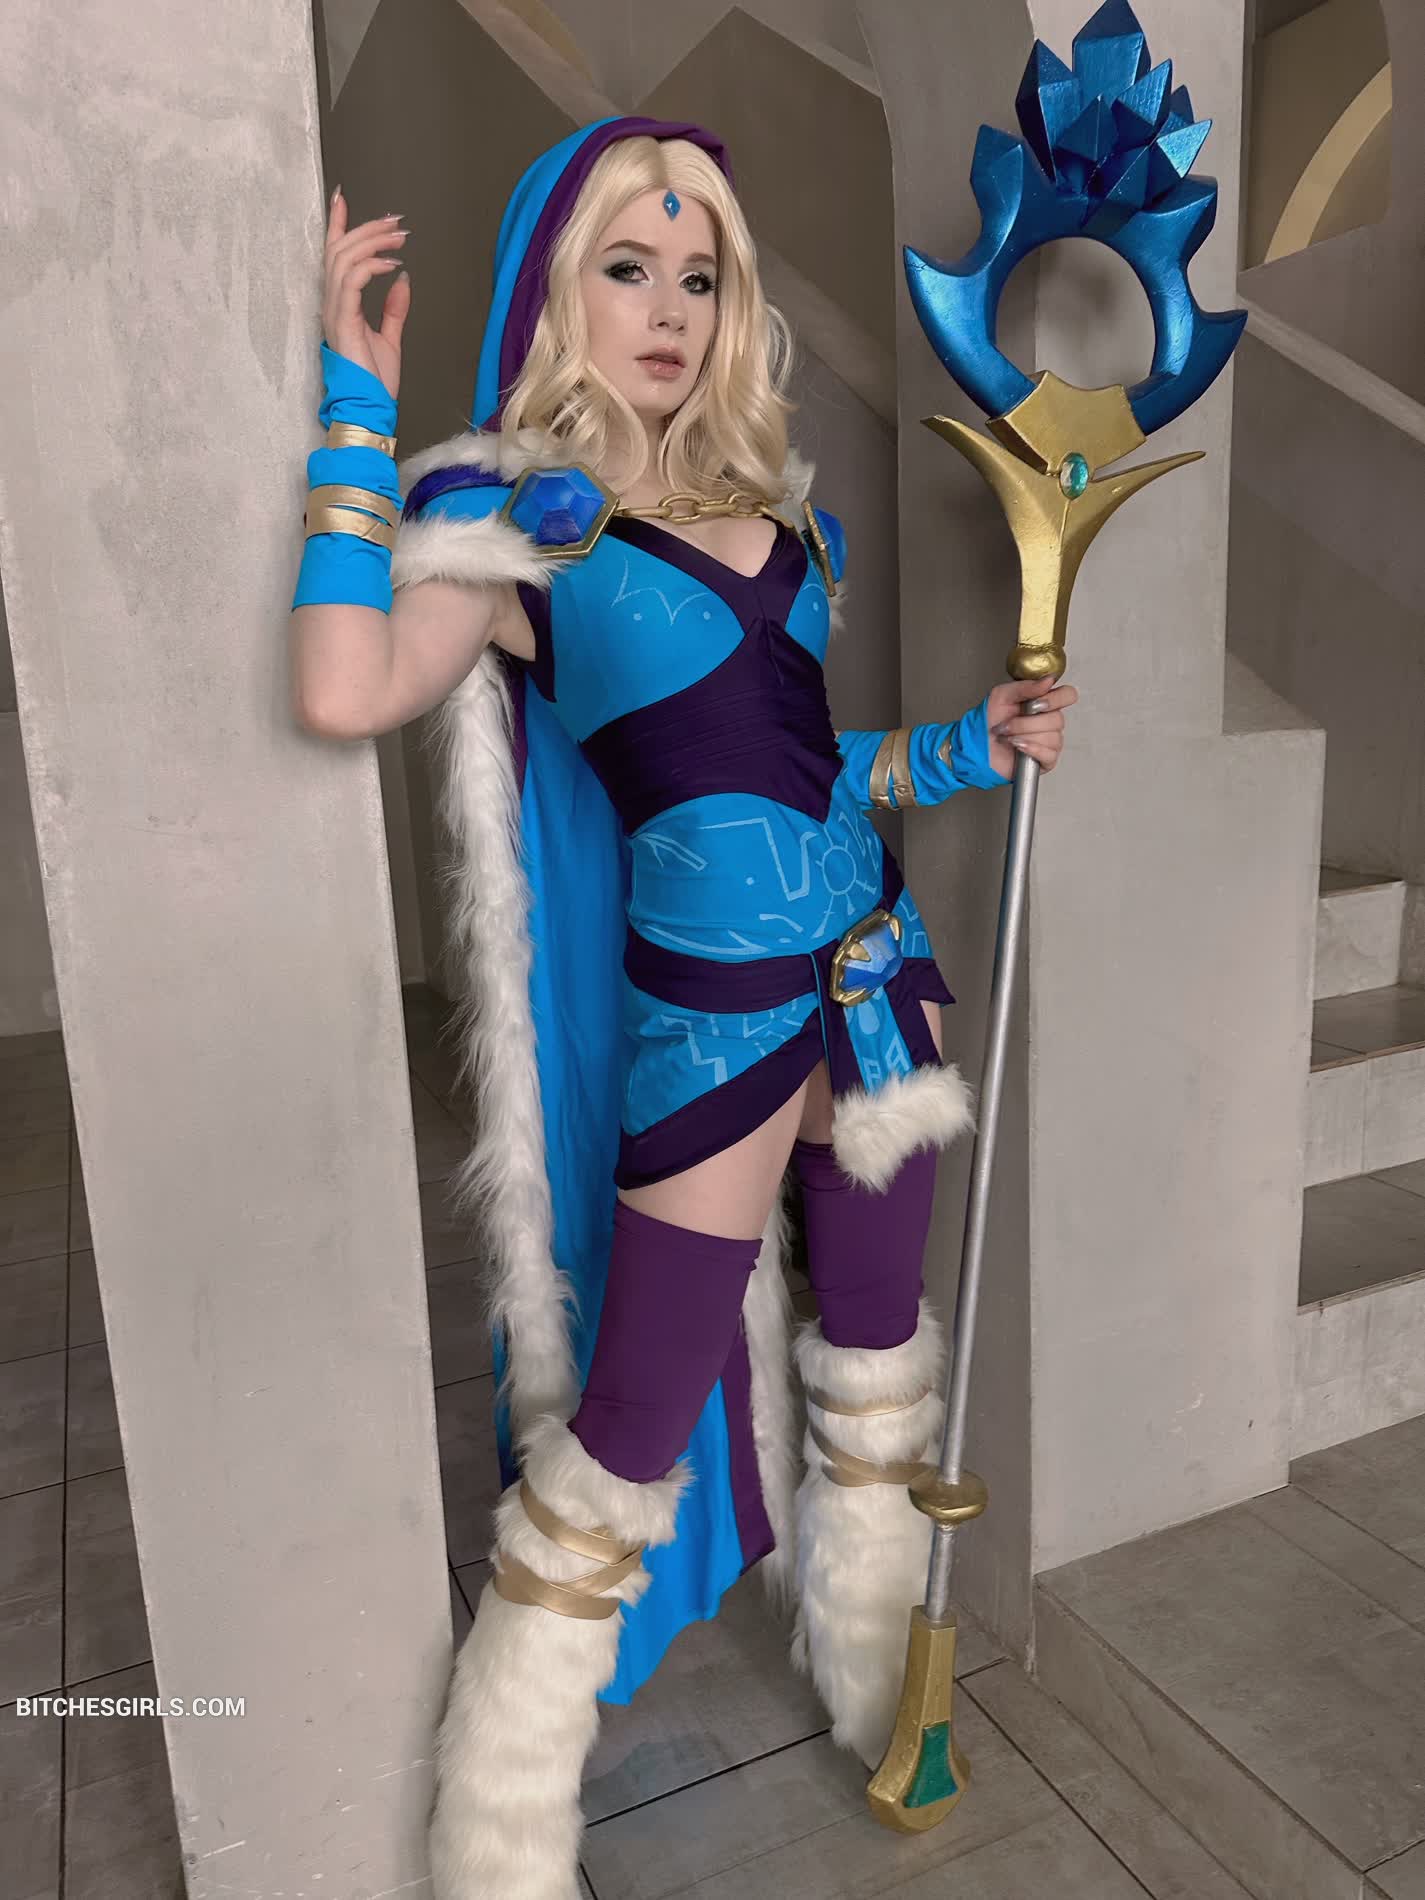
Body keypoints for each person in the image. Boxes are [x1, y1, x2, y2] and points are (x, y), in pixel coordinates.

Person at [290, 116, 1076, 1900]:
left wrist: (966, 746)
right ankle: (498, 1832)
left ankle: (873, 1675)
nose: (667, 311)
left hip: (874, 982)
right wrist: (354, 408)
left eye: (699, 277)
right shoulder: (513, 528)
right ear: (557, 290)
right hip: (712, 1019)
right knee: (632, 1414)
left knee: (873, 1365)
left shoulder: (787, 526)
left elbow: (793, 768)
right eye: (627, 269)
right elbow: (344, 686)